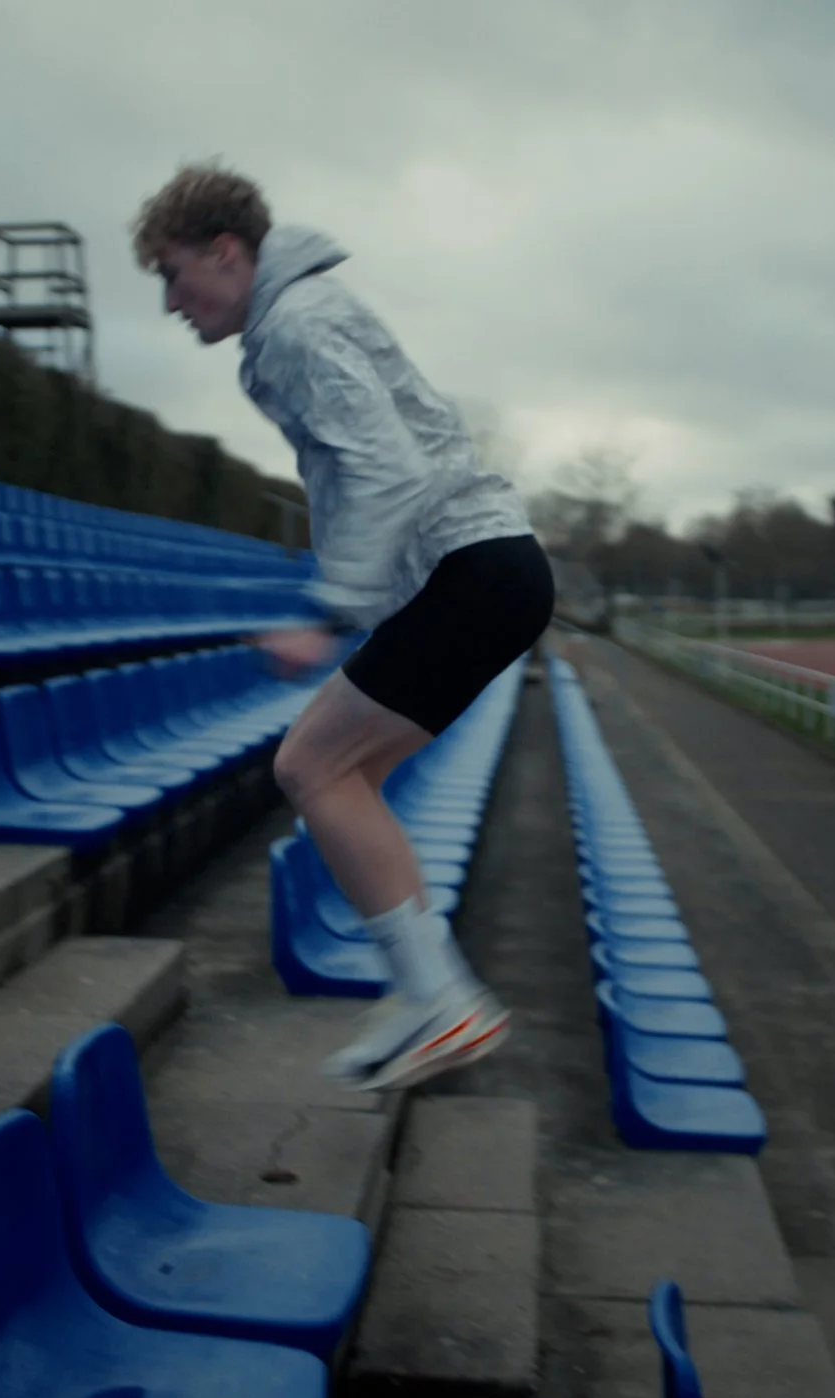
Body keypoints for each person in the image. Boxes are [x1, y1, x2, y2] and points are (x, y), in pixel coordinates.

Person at [130, 163, 552, 1091]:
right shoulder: (301, 315)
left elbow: (390, 472)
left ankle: (441, 1000)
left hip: (474, 573)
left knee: (306, 765)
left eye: (172, 273)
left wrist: (328, 614)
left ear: (227, 252)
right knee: (346, 773)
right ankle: (425, 995)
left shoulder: (295, 326)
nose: (170, 302)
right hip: (493, 572)